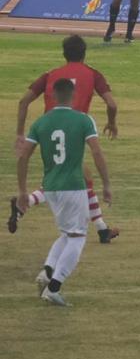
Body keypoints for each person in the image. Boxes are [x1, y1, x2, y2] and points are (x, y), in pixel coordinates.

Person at [10, 35, 119, 244]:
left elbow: (23, 102)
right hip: (75, 129)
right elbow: (112, 105)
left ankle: (102, 229)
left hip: (48, 129)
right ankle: (25, 204)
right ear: (84, 54)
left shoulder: (51, 74)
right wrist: (112, 122)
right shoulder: (93, 74)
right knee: (64, 180)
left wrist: (19, 134)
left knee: (83, 177)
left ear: (64, 54)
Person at [15, 78, 113, 306]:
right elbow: (97, 153)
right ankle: (54, 287)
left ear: (53, 96)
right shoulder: (83, 120)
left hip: (50, 187)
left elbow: (23, 156)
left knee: (67, 234)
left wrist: (22, 191)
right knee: (78, 237)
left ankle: (47, 272)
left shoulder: (41, 123)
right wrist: (106, 184)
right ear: (73, 95)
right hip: (73, 186)